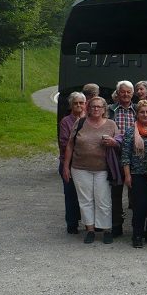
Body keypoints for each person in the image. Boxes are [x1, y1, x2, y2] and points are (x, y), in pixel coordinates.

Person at [62, 96, 120, 245]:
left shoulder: (111, 124)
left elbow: (120, 142)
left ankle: (106, 229)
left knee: (103, 199)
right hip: (80, 167)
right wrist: (66, 166)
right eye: (93, 106)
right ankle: (90, 230)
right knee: (85, 200)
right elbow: (70, 145)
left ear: (104, 109)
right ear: (88, 108)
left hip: (103, 168)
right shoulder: (80, 122)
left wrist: (113, 142)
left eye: (99, 107)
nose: (96, 109)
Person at [122, 99, 147, 248]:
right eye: (142, 112)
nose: (145, 114)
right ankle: (137, 235)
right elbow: (125, 155)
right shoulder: (131, 131)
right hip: (137, 174)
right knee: (140, 206)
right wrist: (127, 175)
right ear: (137, 114)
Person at [107, 80, 136, 238]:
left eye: (128, 92)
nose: (125, 94)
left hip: (135, 157)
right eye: (122, 92)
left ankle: (136, 227)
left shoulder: (138, 110)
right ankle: (116, 225)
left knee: (136, 194)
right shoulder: (110, 110)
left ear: (133, 94)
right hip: (114, 156)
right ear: (117, 94)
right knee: (116, 193)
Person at [58, 92, 85, 234]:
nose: (79, 105)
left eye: (81, 103)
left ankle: (89, 223)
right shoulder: (66, 121)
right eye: (76, 103)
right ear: (71, 105)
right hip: (68, 162)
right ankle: (72, 224)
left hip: (86, 164)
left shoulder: (89, 120)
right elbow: (64, 142)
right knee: (71, 195)